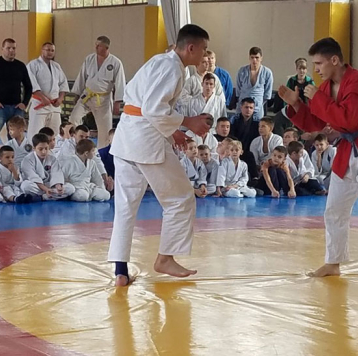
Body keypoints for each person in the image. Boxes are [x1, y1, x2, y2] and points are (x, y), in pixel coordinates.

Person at [278, 37, 358, 280]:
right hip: (347, 151)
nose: (316, 69)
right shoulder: (326, 88)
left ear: (334, 60)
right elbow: (316, 123)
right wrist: (297, 105)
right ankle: (333, 262)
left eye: (319, 63)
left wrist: (317, 98)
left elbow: (347, 120)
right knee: (334, 208)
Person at [108, 24, 212, 287]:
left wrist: (174, 132)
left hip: (127, 137)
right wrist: (188, 121)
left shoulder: (161, 61)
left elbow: (146, 107)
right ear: (191, 48)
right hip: (145, 141)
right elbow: (153, 109)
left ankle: (120, 271)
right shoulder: (172, 68)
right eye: (204, 50)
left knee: (125, 207)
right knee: (181, 198)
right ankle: (165, 258)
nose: (205, 55)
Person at [69, 36, 126, 149]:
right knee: (74, 118)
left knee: (105, 130)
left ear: (106, 47)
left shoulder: (115, 62)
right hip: (87, 96)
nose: (96, 47)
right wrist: (77, 94)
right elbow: (81, 77)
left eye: (99, 45)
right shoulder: (89, 59)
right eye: (96, 45)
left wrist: (117, 102)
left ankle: (102, 152)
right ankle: (75, 144)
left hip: (103, 100)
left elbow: (120, 83)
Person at [0, 38, 32, 140]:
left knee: (17, 139)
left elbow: (29, 87)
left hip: (17, 108)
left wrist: (24, 103)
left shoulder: (20, 66)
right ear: (2, 49)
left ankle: (14, 151)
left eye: (13, 48)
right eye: (8, 48)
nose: (11, 50)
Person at [26, 42, 70, 142]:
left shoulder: (56, 66)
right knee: (35, 133)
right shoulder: (33, 65)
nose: (50, 52)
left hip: (54, 106)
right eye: (48, 50)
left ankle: (54, 151)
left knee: (56, 135)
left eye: (52, 50)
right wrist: (42, 98)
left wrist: (60, 98)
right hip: (39, 104)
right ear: (42, 50)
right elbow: (31, 84)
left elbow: (63, 83)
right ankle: (34, 151)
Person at [20, 133, 74, 201]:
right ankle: (53, 196)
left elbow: (56, 174)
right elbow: (32, 177)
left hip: (49, 184)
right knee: (25, 186)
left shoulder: (52, 159)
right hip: (36, 185)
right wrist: (46, 189)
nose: (44, 152)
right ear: (34, 148)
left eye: (46, 148)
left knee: (70, 188)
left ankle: (42, 197)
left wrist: (58, 187)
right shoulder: (27, 160)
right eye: (40, 149)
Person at [59, 125, 114, 191]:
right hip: (69, 179)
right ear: (74, 135)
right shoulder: (67, 146)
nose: (84, 139)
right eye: (81, 136)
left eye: (87, 137)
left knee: (104, 193)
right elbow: (67, 166)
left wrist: (105, 179)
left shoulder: (90, 145)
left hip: (85, 182)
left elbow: (98, 162)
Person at [235, 47, 273, 120]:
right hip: (242, 106)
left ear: (261, 58)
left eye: (257, 57)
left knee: (257, 126)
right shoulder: (242, 71)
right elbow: (238, 90)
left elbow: (267, 94)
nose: (254, 60)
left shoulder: (267, 73)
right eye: (252, 57)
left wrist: (258, 103)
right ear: (249, 58)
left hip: (257, 108)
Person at [230, 98, 260, 179]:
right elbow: (231, 135)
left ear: (254, 109)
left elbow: (257, 139)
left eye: (251, 108)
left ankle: (254, 178)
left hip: (250, 149)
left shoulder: (257, 121)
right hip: (236, 148)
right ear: (241, 107)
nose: (248, 110)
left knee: (250, 155)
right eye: (246, 107)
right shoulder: (234, 119)